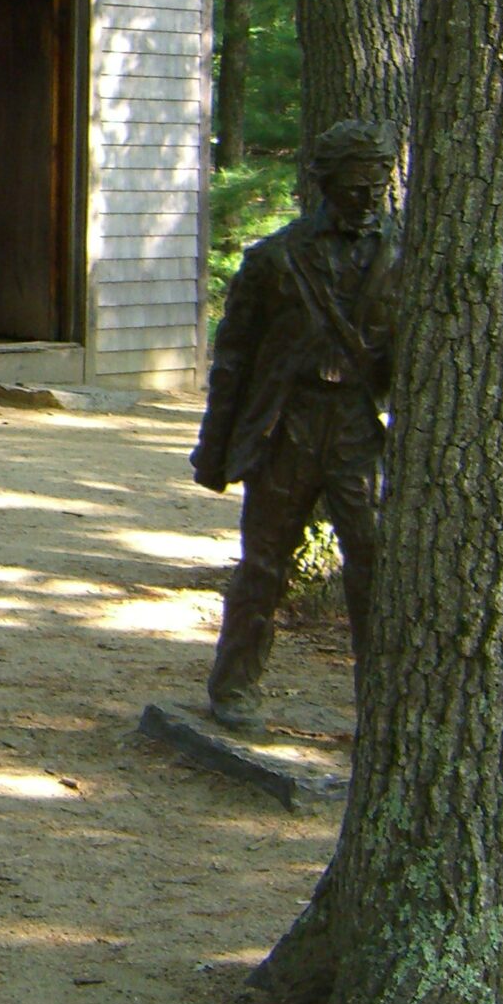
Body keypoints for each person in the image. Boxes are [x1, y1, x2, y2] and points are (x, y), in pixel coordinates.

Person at [191, 120, 399, 729]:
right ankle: (234, 685)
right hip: (290, 428)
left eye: (378, 184)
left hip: (359, 427)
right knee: (263, 563)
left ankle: (379, 701)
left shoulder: (405, 255)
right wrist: (215, 450)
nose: (368, 197)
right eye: (356, 186)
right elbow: (232, 363)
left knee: (373, 562)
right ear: (326, 182)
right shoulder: (274, 261)